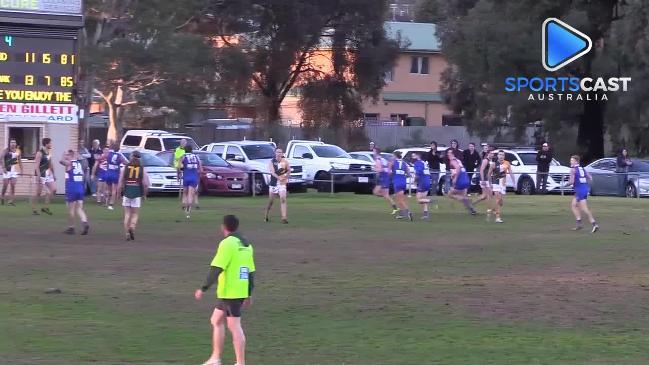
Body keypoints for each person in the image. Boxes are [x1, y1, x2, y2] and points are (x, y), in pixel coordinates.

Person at [195, 215, 255, 365]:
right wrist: (248, 293)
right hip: (237, 290)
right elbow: (250, 272)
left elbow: (216, 268)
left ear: (223, 227)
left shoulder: (227, 244)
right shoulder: (247, 245)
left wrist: (203, 288)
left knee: (234, 326)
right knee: (216, 320)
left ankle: (240, 363)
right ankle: (216, 358)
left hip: (230, 291)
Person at [118, 150, 149, 241]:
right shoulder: (142, 168)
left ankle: (127, 233)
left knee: (127, 213)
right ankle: (132, 227)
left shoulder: (125, 168)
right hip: (136, 192)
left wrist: (118, 193)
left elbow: (120, 182)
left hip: (127, 191)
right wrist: (144, 194)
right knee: (135, 214)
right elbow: (146, 184)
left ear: (131, 157)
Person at [60, 149, 90, 235]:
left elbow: (61, 161)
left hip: (72, 188)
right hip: (80, 187)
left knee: (71, 209)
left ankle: (71, 228)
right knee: (79, 208)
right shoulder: (79, 164)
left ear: (70, 156)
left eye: (67, 155)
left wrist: (63, 155)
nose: (66, 157)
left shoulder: (70, 163)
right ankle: (85, 223)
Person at [569, 155, 599, 233]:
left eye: (572, 160)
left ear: (576, 161)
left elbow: (571, 182)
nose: (570, 162)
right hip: (584, 189)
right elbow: (590, 177)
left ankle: (594, 224)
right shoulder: (582, 168)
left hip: (580, 190)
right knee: (574, 205)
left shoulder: (573, 170)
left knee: (584, 208)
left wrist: (564, 184)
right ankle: (579, 224)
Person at [446, 149, 477, 215]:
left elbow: (458, 168)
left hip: (460, 180)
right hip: (465, 178)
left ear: (453, 154)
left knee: (450, 194)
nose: (448, 154)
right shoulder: (458, 160)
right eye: (448, 153)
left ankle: (467, 200)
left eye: (449, 153)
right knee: (463, 196)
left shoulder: (452, 161)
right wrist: (453, 175)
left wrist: (455, 178)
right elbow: (459, 169)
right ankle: (472, 210)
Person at [489, 150, 516, 223]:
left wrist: (514, 183)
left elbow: (511, 173)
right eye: (499, 154)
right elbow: (488, 174)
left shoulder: (507, 163)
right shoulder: (493, 164)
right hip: (496, 182)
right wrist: (490, 184)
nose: (501, 156)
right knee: (497, 199)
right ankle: (497, 218)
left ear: (504, 156)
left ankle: (492, 209)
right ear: (497, 156)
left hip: (503, 183)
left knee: (500, 202)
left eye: (502, 155)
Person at [265, 147, 290, 224]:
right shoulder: (272, 162)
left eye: (280, 152)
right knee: (271, 201)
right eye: (278, 152)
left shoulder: (285, 162)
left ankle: (284, 218)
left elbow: (288, 170)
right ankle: (266, 214)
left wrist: (286, 176)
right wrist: (279, 177)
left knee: (283, 199)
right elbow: (272, 172)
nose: (279, 153)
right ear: (275, 153)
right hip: (273, 184)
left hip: (282, 184)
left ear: (282, 154)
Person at [32, 138, 56, 216]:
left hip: (48, 174)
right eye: (50, 143)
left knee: (53, 190)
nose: (51, 144)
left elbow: (50, 164)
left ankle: (45, 208)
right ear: (46, 144)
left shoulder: (49, 152)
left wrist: (54, 174)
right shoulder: (39, 153)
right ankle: (34, 209)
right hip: (41, 174)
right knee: (38, 193)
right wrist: (38, 175)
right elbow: (36, 165)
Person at [371, 147, 398, 214]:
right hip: (383, 177)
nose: (372, 152)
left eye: (373, 151)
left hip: (383, 177)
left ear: (376, 152)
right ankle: (395, 206)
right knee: (377, 193)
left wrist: (373, 169)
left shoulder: (378, 159)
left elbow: (380, 169)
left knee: (377, 192)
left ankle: (395, 206)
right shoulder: (381, 159)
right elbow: (387, 166)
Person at [179, 145, 203, 219]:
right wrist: (197, 174)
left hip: (186, 177)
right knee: (190, 194)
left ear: (185, 150)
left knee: (185, 193)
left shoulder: (183, 156)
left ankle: (184, 205)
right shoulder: (196, 157)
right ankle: (188, 210)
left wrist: (179, 173)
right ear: (191, 150)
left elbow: (179, 166)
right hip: (194, 178)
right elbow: (201, 170)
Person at [390, 151, 412, 221]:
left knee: (400, 200)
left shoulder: (393, 162)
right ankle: (401, 214)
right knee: (399, 198)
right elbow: (409, 174)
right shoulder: (404, 163)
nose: (392, 157)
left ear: (395, 156)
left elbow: (389, 172)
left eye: (393, 156)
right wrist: (403, 175)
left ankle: (408, 212)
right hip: (403, 183)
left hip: (397, 182)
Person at [105, 144, 127, 210]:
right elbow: (125, 162)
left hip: (108, 173)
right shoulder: (119, 155)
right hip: (115, 173)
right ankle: (111, 204)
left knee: (108, 189)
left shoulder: (109, 154)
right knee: (114, 189)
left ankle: (106, 202)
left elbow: (104, 157)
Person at [473, 149, 494, 215]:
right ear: (488, 154)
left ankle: (471, 204)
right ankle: (489, 209)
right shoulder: (485, 160)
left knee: (484, 196)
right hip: (484, 180)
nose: (492, 154)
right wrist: (482, 180)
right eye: (491, 153)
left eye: (493, 153)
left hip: (487, 180)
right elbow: (481, 170)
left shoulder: (490, 161)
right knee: (489, 195)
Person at [1, 138, 22, 206]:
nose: (13, 143)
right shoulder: (6, 150)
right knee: (5, 185)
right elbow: (1, 158)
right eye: (11, 142)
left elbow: (19, 160)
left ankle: (11, 201)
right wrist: (3, 167)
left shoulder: (18, 151)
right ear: (9, 144)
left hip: (15, 171)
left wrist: (21, 169)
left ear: (16, 143)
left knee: (13, 185)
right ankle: (2, 196)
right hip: (7, 170)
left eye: (14, 142)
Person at [413, 152, 432, 219]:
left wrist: (414, 181)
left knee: (419, 199)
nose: (412, 157)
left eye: (414, 156)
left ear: (418, 156)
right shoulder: (424, 163)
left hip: (423, 182)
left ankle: (431, 201)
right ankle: (426, 214)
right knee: (424, 199)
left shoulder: (418, 163)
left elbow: (417, 173)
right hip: (427, 181)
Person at [426, 141, 441, 209]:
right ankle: (429, 196)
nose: (432, 146)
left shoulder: (438, 152)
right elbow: (429, 159)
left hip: (437, 169)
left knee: (435, 183)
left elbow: (441, 160)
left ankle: (433, 196)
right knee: (430, 183)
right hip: (431, 169)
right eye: (431, 145)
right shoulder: (429, 153)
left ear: (435, 146)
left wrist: (437, 155)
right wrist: (432, 154)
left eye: (433, 145)